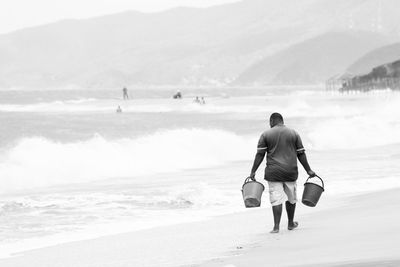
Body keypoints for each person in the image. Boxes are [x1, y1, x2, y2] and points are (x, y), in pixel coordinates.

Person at [249, 112, 316, 234]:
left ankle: (276, 227)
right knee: (291, 198)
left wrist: (253, 171)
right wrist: (308, 170)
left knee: (276, 199)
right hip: (290, 172)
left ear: (271, 121)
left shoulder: (266, 134)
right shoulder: (294, 133)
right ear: (282, 121)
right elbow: (301, 153)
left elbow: (260, 154)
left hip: (273, 173)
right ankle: (290, 223)